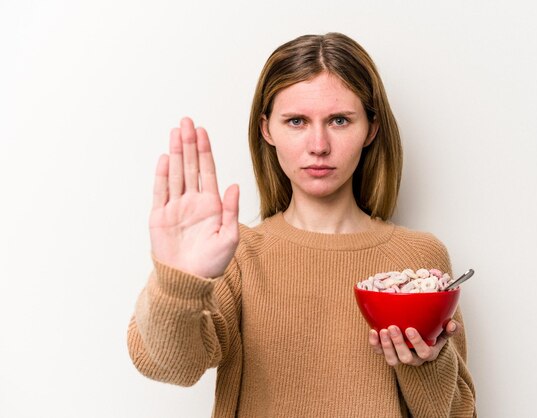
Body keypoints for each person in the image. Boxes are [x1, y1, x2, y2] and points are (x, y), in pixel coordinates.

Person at [127, 32, 476, 417]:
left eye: (340, 120)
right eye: (296, 121)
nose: (319, 145)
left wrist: (425, 364)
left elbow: (460, 414)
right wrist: (177, 281)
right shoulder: (236, 254)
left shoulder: (418, 259)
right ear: (267, 130)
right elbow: (169, 366)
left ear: (371, 129)